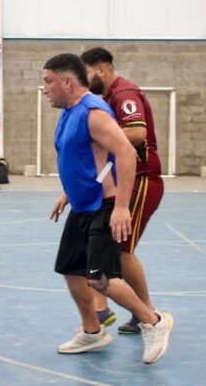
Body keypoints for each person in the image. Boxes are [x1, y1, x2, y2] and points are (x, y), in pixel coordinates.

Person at [43, 53, 173, 364]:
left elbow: (125, 153)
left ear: (67, 82)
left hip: (104, 206)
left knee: (101, 278)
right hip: (83, 205)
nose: (45, 88)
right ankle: (92, 332)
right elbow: (86, 160)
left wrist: (122, 207)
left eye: (49, 81)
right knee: (70, 269)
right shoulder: (69, 112)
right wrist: (68, 193)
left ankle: (152, 321)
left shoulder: (93, 112)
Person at [81, 47, 165, 335]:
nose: (83, 79)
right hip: (125, 179)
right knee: (111, 248)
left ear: (101, 69)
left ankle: (147, 314)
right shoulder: (107, 98)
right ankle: (125, 310)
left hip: (143, 180)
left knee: (123, 250)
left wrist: (97, 136)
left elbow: (137, 134)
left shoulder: (124, 94)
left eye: (86, 73)